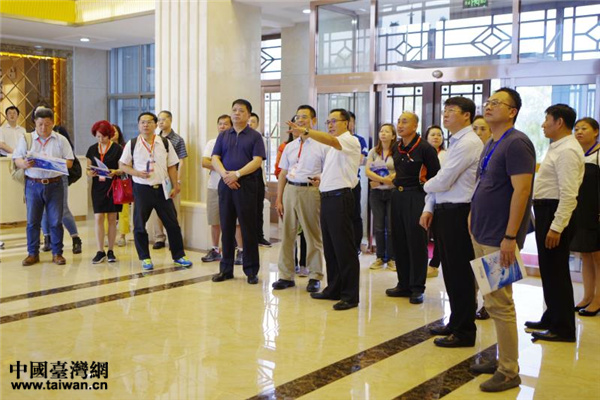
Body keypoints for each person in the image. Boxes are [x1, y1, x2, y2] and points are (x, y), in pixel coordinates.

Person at [469, 87, 535, 392]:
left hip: (499, 235)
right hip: (482, 230)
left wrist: (510, 236)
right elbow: (484, 182)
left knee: (501, 302)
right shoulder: (492, 142)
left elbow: (522, 191)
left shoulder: (517, 143)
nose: (489, 105)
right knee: (491, 300)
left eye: (497, 103)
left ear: (512, 111)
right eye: (488, 101)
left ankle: (509, 370)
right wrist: (473, 213)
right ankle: (501, 357)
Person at [419, 97, 483, 348]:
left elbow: (443, 180)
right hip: (446, 210)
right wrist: (430, 203)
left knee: (461, 273)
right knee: (451, 271)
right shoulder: (456, 141)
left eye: (452, 111)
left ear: (466, 115)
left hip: (459, 212)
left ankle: (465, 331)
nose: (445, 115)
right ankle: (455, 322)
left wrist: (424, 186)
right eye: (445, 110)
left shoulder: (469, 142)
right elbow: (442, 181)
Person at [287, 108, 361, 310]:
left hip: (340, 198)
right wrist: (321, 178)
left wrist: (305, 131)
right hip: (327, 197)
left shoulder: (349, 140)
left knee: (344, 248)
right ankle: (334, 288)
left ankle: (350, 295)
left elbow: (330, 140)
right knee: (330, 247)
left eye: (334, 121)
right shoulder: (333, 146)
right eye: (328, 122)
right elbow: (335, 170)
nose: (330, 125)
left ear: (346, 123)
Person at [525, 104, 584, 342]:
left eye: (547, 119)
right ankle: (552, 317)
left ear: (559, 122)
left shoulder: (568, 150)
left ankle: (563, 328)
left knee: (557, 271)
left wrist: (556, 227)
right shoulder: (558, 146)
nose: (543, 125)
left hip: (554, 212)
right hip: (547, 210)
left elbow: (569, 194)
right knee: (549, 269)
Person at [118, 112, 192, 271]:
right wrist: (137, 173)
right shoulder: (132, 144)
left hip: (163, 188)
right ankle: (145, 257)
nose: (146, 125)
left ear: (155, 124)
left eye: (149, 122)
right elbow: (122, 165)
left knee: (172, 223)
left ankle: (179, 255)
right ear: (139, 125)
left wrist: (175, 185)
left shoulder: (164, 142)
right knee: (139, 225)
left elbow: (172, 165)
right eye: (142, 122)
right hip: (142, 189)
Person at [385, 111, 440, 305]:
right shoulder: (396, 146)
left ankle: (417, 287)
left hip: (417, 196)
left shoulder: (425, 148)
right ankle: (403, 284)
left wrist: (430, 204)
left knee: (416, 242)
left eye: (405, 122)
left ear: (415, 126)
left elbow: (435, 176)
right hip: (397, 195)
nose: (400, 125)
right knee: (399, 240)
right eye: (398, 121)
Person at [272, 105, 327, 293]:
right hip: (290, 190)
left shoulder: (322, 145)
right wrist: (279, 198)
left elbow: (328, 171)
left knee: (312, 235)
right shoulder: (290, 146)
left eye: (304, 117)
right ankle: (286, 275)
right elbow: (283, 173)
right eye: (298, 117)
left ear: (313, 121)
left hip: (310, 191)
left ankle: (315, 276)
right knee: (287, 234)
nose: (300, 120)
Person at [211, 100, 265, 284]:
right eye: (234, 110)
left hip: (246, 185)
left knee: (248, 228)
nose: (236, 113)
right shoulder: (223, 135)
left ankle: (251, 270)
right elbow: (215, 158)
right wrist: (226, 175)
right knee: (226, 227)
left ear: (248, 115)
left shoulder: (255, 136)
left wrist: (237, 174)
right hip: (226, 184)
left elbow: (257, 161)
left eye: (241, 111)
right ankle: (225, 269)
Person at [13, 107, 74, 266]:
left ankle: (57, 253)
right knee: (32, 221)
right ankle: (32, 253)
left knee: (55, 221)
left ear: (52, 123)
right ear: (35, 123)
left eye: (47, 124)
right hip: (33, 185)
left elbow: (70, 161)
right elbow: (17, 159)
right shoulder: (26, 139)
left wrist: (55, 163)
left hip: (55, 185)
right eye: (40, 124)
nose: (43, 128)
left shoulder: (60, 140)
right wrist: (24, 163)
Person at [33, 104, 82, 255]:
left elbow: (69, 156)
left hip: (58, 178)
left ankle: (75, 238)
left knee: (62, 210)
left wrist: (52, 161)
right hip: (39, 179)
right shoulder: (31, 137)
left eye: (47, 122)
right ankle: (47, 238)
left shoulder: (60, 134)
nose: (43, 126)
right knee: (43, 211)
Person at [201, 114, 244, 264]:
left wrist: (220, 166)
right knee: (214, 219)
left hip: (234, 185)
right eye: (220, 124)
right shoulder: (212, 142)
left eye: (226, 124)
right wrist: (225, 170)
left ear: (231, 126)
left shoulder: (238, 141)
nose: (222, 126)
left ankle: (241, 250)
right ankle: (215, 250)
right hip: (214, 186)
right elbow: (205, 162)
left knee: (237, 221)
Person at [571, 117, 600, 316]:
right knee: (585, 254)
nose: (579, 132)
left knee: (598, 256)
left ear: (596, 132)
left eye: (584, 128)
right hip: (580, 211)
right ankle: (587, 295)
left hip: (596, 212)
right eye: (577, 129)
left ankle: (598, 299)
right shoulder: (576, 154)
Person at [86, 120, 124, 264]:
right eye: (98, 137)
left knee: (112, 218)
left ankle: (111, 250)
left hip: (112, 186)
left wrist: (114, 171)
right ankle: (100, 250)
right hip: (98, 187)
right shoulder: (92, 149)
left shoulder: (117, 149)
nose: (100, 139)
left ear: (109, 135)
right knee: (98, 217)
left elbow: (122, 169)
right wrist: (90, 173)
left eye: (103, 136)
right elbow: (88, 168)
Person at [150, 110, 188, 250]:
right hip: (157, 179)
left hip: (171, 179)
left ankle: (174, 239)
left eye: (163, 119)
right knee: (156, 210)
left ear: (170, 120)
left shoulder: (178, 139)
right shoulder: (154, 139)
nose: (160, 122)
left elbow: (181, 161)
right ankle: (159, 237)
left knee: (173, 210)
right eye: (159, 120)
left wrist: (178, 180)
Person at [365, 123, 397, 271]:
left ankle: (391, 258)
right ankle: (379, 257)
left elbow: (400, 169)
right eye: (381, 131)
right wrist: (384, 180)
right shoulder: (373, 151)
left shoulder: (397, 151)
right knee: (378, 226)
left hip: (392, 192)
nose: (383, 134)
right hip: (376, 193)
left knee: (391, 227)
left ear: (393, 136)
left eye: (387, 131)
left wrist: (387, 181)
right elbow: (367, 171)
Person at [472, 115, 493, 320]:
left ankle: (490, 304)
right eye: (475, 129)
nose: (478, 133)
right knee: (473, 262)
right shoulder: (471, 150)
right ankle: (472, 301)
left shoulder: (496, 150)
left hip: (492, 218)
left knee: (490, 264)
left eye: (483, 129)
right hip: (472, 213)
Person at [423, 125, 446, 278]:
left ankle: (434, 264)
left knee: (438, 233)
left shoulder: (446, 155)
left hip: (439, 197)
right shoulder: (422, 153)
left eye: (439, 134)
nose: (436, 137)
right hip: (423, 195)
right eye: (433, 134)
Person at [249, 112, 271, 247]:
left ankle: (259, 236)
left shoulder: (259, 139)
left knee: (258, 209)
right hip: (243, 178)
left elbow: (259, 160)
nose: (250, 124)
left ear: (257, 124)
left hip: (258, 178)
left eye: (253, 122)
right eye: (248, 121)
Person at [348, 111, 368, 254]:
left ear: (353, 123)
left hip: (353, 182)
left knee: (355, 214)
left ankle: (356, 246)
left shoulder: (359, 140)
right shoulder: (334, 140)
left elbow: (360, 160)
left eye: (349, 121)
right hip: (337, 185)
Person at [111, 124, 130, 247]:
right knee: (108, 211)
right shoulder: (103, 147)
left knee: (123, 210)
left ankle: (122, 236)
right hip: (108, 181)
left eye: (115, 131)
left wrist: (119, 170)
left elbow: (127, 164)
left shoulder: (125, 147)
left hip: (122, 180)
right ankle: (109, 235)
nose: (113, 133)